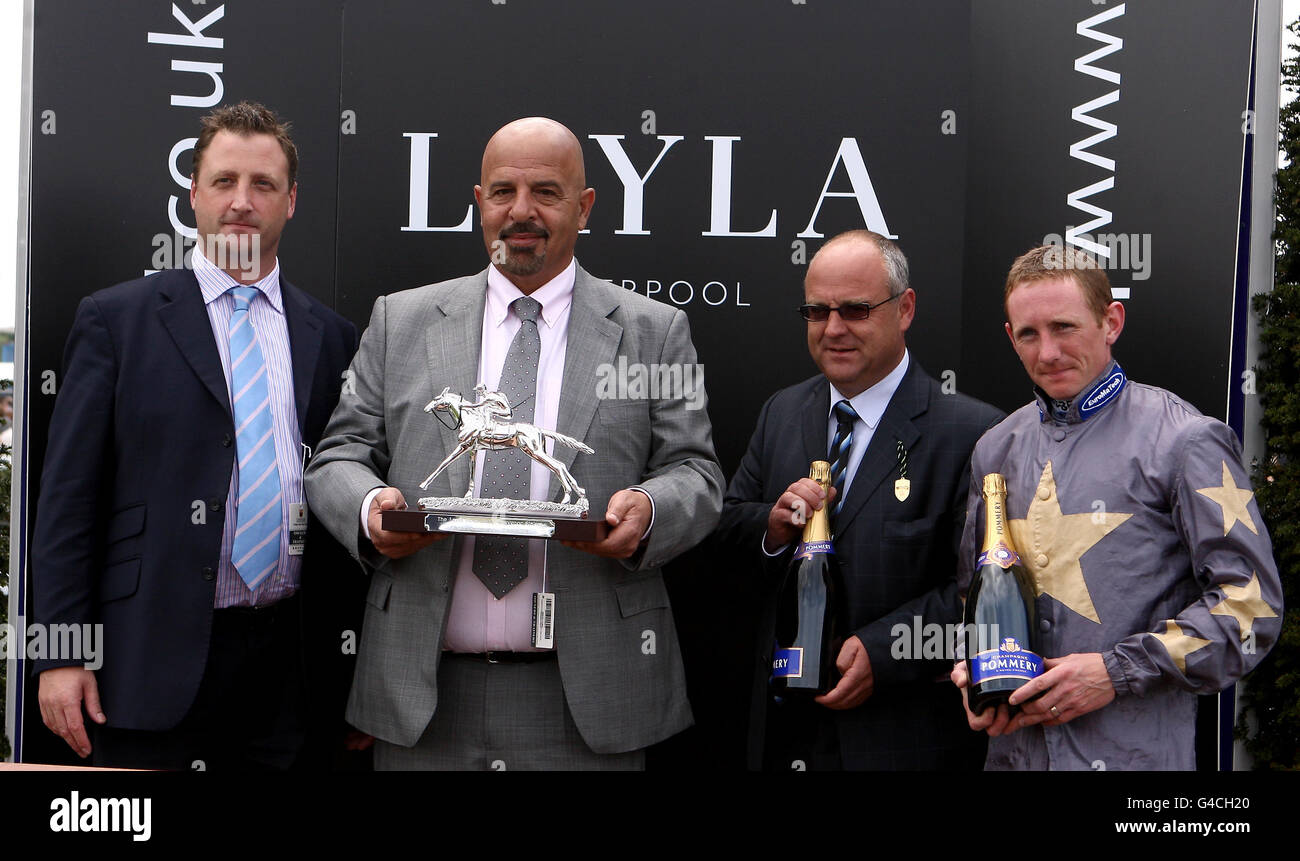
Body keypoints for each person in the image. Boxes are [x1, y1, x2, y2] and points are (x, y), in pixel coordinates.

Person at [303, 117, 723, 770]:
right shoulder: (401, 320)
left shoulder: (651, 331)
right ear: (479, 203)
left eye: (546, 192)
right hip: (424, 703)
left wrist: (648, 507)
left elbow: (695, 471)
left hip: (590, 704)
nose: (520, 211)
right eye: (502, 191)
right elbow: (338, 456)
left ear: (584, 208)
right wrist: (370, 508)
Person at [32, 102, 359, 769]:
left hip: (289, 675)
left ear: (291, 201)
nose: (242, 201)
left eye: (263, 184)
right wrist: (59, 654)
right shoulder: (116, 322)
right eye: (224, 181)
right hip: (144, 662)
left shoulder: (332, 337)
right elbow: (67, 504)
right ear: (193, 195)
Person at [950, 244, 1282, 769]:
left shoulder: (1185, 440)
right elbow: (975, 597)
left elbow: (1251, 607)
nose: (1049, 353)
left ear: (1111, 321)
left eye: (1064, 327)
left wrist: (1114, 672)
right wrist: (974, 669)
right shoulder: (995, 448)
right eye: (1030, 334)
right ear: (1010, 338)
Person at [715, 230, 1004, 769]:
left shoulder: (975, 432)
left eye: (855, 310)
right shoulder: (783, 412)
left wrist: (886, 652)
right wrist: (775, 530)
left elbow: (984, 591)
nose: (833, 329)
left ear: (905, 308)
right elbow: (729, 528)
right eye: (816, 312)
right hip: (786, 733)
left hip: (904, 740)